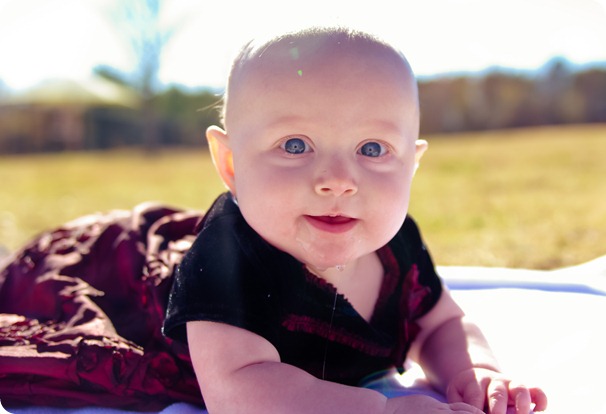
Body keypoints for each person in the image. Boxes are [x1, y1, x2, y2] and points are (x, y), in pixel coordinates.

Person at [163, 26, 548, 414]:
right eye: (295, 145)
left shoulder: (398, 245)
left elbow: (440, 325)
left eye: (373, 148)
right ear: (231, 164)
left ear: (410, 165)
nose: (338, 181)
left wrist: (474, 370)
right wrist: (382, 410)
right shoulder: (225, 258)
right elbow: (240, 391)